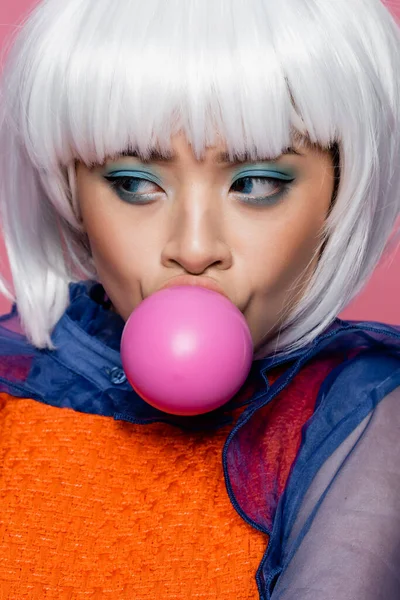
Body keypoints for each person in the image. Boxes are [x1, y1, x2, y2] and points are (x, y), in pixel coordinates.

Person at [0, 0, 399, 597]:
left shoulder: (359, 417)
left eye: (257, 183)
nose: (193, 248)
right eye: (134, 182)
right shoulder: (17, 382)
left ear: (341, 190)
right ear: (70, 190)